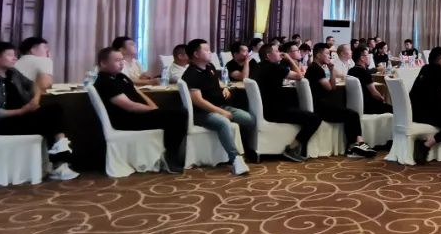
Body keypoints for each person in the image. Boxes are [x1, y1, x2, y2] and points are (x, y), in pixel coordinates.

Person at [0, 41, 78, 180]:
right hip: (2, 124)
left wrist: (35, 99)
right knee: (52, 118)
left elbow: (33, 85)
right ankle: (60, 159)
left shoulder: (12, 73)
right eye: (10, 55)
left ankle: (60, 153)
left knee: (55, 110)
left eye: (14, 55)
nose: (15, 58)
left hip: (21, 116)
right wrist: (22, 111)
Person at [94, 46, 186, 172]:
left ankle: (171, 154)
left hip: (137, 116)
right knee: (178, 117)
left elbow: (138, 93)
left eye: (122, 60)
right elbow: (130, 106)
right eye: (117, 60)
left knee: (178, 113)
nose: (121, 63)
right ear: (103, 63)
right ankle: (170, 156)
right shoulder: (105, 82)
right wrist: (152, 111)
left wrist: (154, 108)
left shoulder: (121, 77)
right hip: (126, 120)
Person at [181, 38, 255, 175]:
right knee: (223, 122)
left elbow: (216, 80)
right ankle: (235, 159)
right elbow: (198, 101)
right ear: (196, 54)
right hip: (202, 113)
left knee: (249, 119)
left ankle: (245, 149)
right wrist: (220, 112)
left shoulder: (209, 67)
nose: (210, 52)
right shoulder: (191, 74)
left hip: (221, 106)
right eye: (206, 50)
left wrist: (224, 87)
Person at [251, 41, 320, 162]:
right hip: (275, 111)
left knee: (298, 110)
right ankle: (291, 149)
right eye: (277, 51)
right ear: (268, 55)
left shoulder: (258, 66)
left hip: (265, 108)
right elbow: (300, 76)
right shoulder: (274, 68)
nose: (280, 53)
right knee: (314, 119)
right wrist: (289, 59)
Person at [305, 43, 377, 157]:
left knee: (349, 112)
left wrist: (331, 70)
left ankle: (355, 145)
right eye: (327, 54)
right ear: (318, 55)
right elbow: (330, 88)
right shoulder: (315, 69)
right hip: (319, 107)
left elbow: (332, 87)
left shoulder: (316, 68)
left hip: (321, 104)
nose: (329, 56)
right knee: (352, 114)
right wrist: (332, 71)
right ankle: (357, 144)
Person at [408, 46, 441, 163]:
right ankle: (426, 145)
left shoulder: (425, 68)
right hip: (428, 113)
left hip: (414, 111)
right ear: (440, 59)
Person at [347, 46, 392, 114]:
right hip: (369, 107)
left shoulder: (350, 71)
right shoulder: (364, 73)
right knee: (394, 109)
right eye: (367, 55)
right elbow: (374, 94)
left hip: (355, 106)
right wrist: (382, 99)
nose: (369, 57)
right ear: (362, 58)